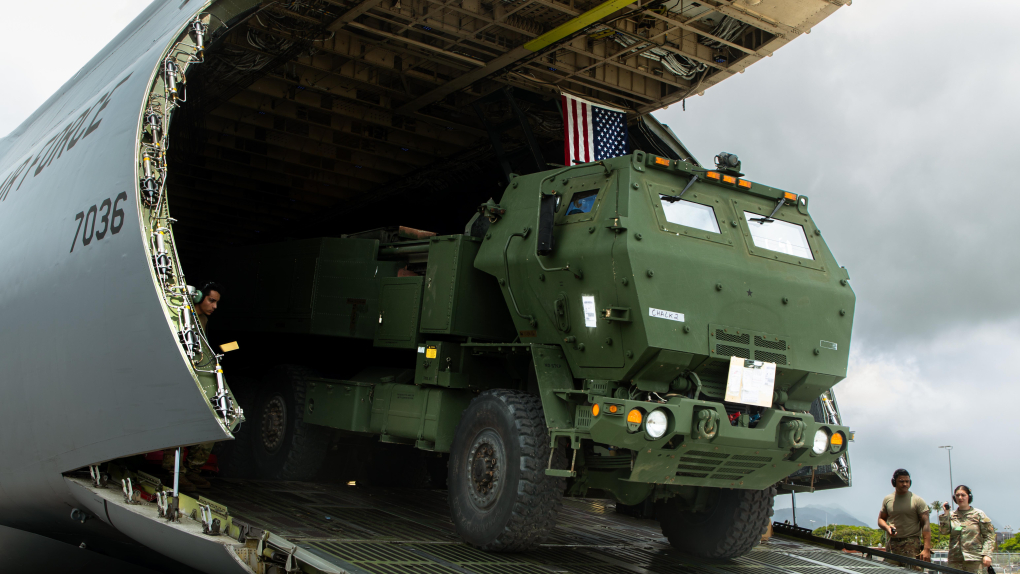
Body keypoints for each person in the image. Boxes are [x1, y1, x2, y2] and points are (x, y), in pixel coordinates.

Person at [160, 281, 223, 491]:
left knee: (210, 422)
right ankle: (173, 473)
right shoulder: (183, 315)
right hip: (178, 377)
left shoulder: (203, 319)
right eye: (211, 300)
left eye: (216, 302)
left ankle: (192, 470)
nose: (214, 306)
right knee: (178, 424)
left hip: (198, 376)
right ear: (199, 297)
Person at [878, 469, 932, 570]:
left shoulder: (917, 500)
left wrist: (926, 549)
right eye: (901, 481)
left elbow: (926, 524)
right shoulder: (888, 499)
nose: (905, 484)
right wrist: (887, 527)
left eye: (907, 481)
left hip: (912, 545)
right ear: (894, 482)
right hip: (893, 546)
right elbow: (881, 519)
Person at [938, 485, 995, 574]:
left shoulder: (978, 514)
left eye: (963, 495)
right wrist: (946, 514)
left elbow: (989, 536)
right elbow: (944, 531)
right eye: (957, 495)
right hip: (955, 560)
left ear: (969, 497)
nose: (960, 498)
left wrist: (987, 555)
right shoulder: (951, 515)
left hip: (974, 560)